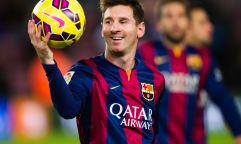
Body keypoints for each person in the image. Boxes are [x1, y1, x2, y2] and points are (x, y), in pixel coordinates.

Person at [28, 0, 165, 143]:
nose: (114, 28)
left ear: (140, 29)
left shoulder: (155, 79)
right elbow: (68, 110)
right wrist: (47, 61)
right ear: (101, 29)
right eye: (108, 22)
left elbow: (158, 133)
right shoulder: (85, 72)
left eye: (123, 21)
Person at [137, 0, 241, 144]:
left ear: (188, 22)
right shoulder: (145, 53)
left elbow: (223, 99)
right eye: (169, 16)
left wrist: (239, 134)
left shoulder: (203, 58)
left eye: (180, 16)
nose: (175, 22)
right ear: (159, 25)